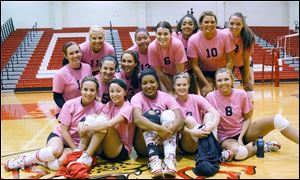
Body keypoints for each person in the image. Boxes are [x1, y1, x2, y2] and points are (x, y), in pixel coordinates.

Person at [5, 76, 104, 171]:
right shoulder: (70, 104)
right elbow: (64, 131)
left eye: (92, 90)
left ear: (96, 92)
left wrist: (77, 149)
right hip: (61, 136)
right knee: (56, 150)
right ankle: (25, 160)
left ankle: (39, 161)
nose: (88, 93)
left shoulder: (100, 107)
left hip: (78, 144)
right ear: (81, 90)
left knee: (60, 164)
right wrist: (75, 150)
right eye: (85, 89)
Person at [205, 68, 299, 161]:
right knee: (240, 153)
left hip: (244, 132)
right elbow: (207, 120)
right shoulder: (210, 97)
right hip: (226, 137)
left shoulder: (241, 94)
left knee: (278, 120)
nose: (223, 83)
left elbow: (248, 118)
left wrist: (241, 137)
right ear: (215, 83)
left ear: (232, 80)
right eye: (219, 80)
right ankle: (261, 146)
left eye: (226, 79)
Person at [131, 68, 184, 178]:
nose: (149, 85)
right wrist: (160, 130)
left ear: (157, 82)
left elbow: (180, 118)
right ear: (140, 85)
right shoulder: (137, 97)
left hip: (165, 141)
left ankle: (170, 161)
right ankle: (154, 161)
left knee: (169, 114)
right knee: (149, 114)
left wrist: (168, 130)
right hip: (144, 146)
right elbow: (137, 119)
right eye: (145, 83)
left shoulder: (166, 97)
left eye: (152, 82)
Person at [74, 78, 135, 166]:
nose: (114, 94)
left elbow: (109, 124)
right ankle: (79, 152)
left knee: (103, 122)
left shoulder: (128, 107)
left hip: (120, 152)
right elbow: (96, 116)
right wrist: (82, 123)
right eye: (112, 91)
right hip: (104, 150)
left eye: (118, 91)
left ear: (125, 92)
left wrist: (87, 128)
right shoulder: (110, 104)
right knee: (92, 118)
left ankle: (87, 155)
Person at [187, 11, 235, 97]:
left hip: (223, 69)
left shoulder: (225, 35)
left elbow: (230, 60)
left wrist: (225, 77)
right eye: (206, 22)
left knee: (224, 92)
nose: (210, 24)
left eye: (212, 22)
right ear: (200, 24)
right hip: (205, 71)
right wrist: (206, 84)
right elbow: (195, 66)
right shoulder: (193, 40)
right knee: (207, 94)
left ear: (216, 23)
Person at [173, 72, 220, 154]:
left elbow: (215, 113)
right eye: (178, 85)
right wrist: (193, 132)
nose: (182, 87)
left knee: (209, 115)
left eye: (184, 85)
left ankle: (211, 148)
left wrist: (212, 125)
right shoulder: (171, 103)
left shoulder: (196, 98)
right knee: (188, 120)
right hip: (188, 142)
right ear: (174, 86)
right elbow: (177, 128)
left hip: (202, 135)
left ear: (188, 85)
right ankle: (212, 148)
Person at [53, 41, 92, 119]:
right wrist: (68, 110)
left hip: (83, 108)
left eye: (77, 52)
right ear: (66, 56)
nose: (75, 55)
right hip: (65, 109)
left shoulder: (88, 67)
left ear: (81, 53)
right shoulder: (60, 74)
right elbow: (57, 97)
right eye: (71, 53)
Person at [148, 21, 187, 93]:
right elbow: (159, 72)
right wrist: (171, 90)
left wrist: (177, 89)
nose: (162, 37)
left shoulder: (177, 44)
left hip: (179, 74)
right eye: (159, 34)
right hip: (164, 75)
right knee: (168, 95)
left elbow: (180, 72)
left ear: (171, 34)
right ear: (155, 34)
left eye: (165, 34)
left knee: (180, 94)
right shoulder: (152, 47)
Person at [224, 12, 256, 102]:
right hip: (230, 63)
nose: (234, 27)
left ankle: (249, 113)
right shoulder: (224, 35)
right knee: (227, 85)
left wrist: (246, 81)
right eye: (232, 23)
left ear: (243, 25)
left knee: (249, 86)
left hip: (244, 62)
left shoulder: (248, 37)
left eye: (238, 24)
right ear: (228, 24)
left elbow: (246, 60)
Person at [173, 13, 199, 94]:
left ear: (194, 27)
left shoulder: (197, 38)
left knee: (193, 94)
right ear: (180, 26)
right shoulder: (175, 36)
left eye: (190, 24)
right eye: (184, 24)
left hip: (191, 71)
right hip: (175, 71)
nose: (187, 26)